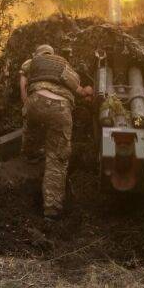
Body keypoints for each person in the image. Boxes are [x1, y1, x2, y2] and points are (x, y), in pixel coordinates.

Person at [19, 44, 92, 218]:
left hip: (34, 100)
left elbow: (22, 80)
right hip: (60, 107)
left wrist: (25, 102)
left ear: (37, 53)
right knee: (57, 157)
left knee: (31, 127)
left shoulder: (32, 61)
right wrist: (87, 91)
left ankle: (30, 153)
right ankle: (51, 207)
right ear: (53, 54)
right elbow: (78, 89)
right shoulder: (63, 65)